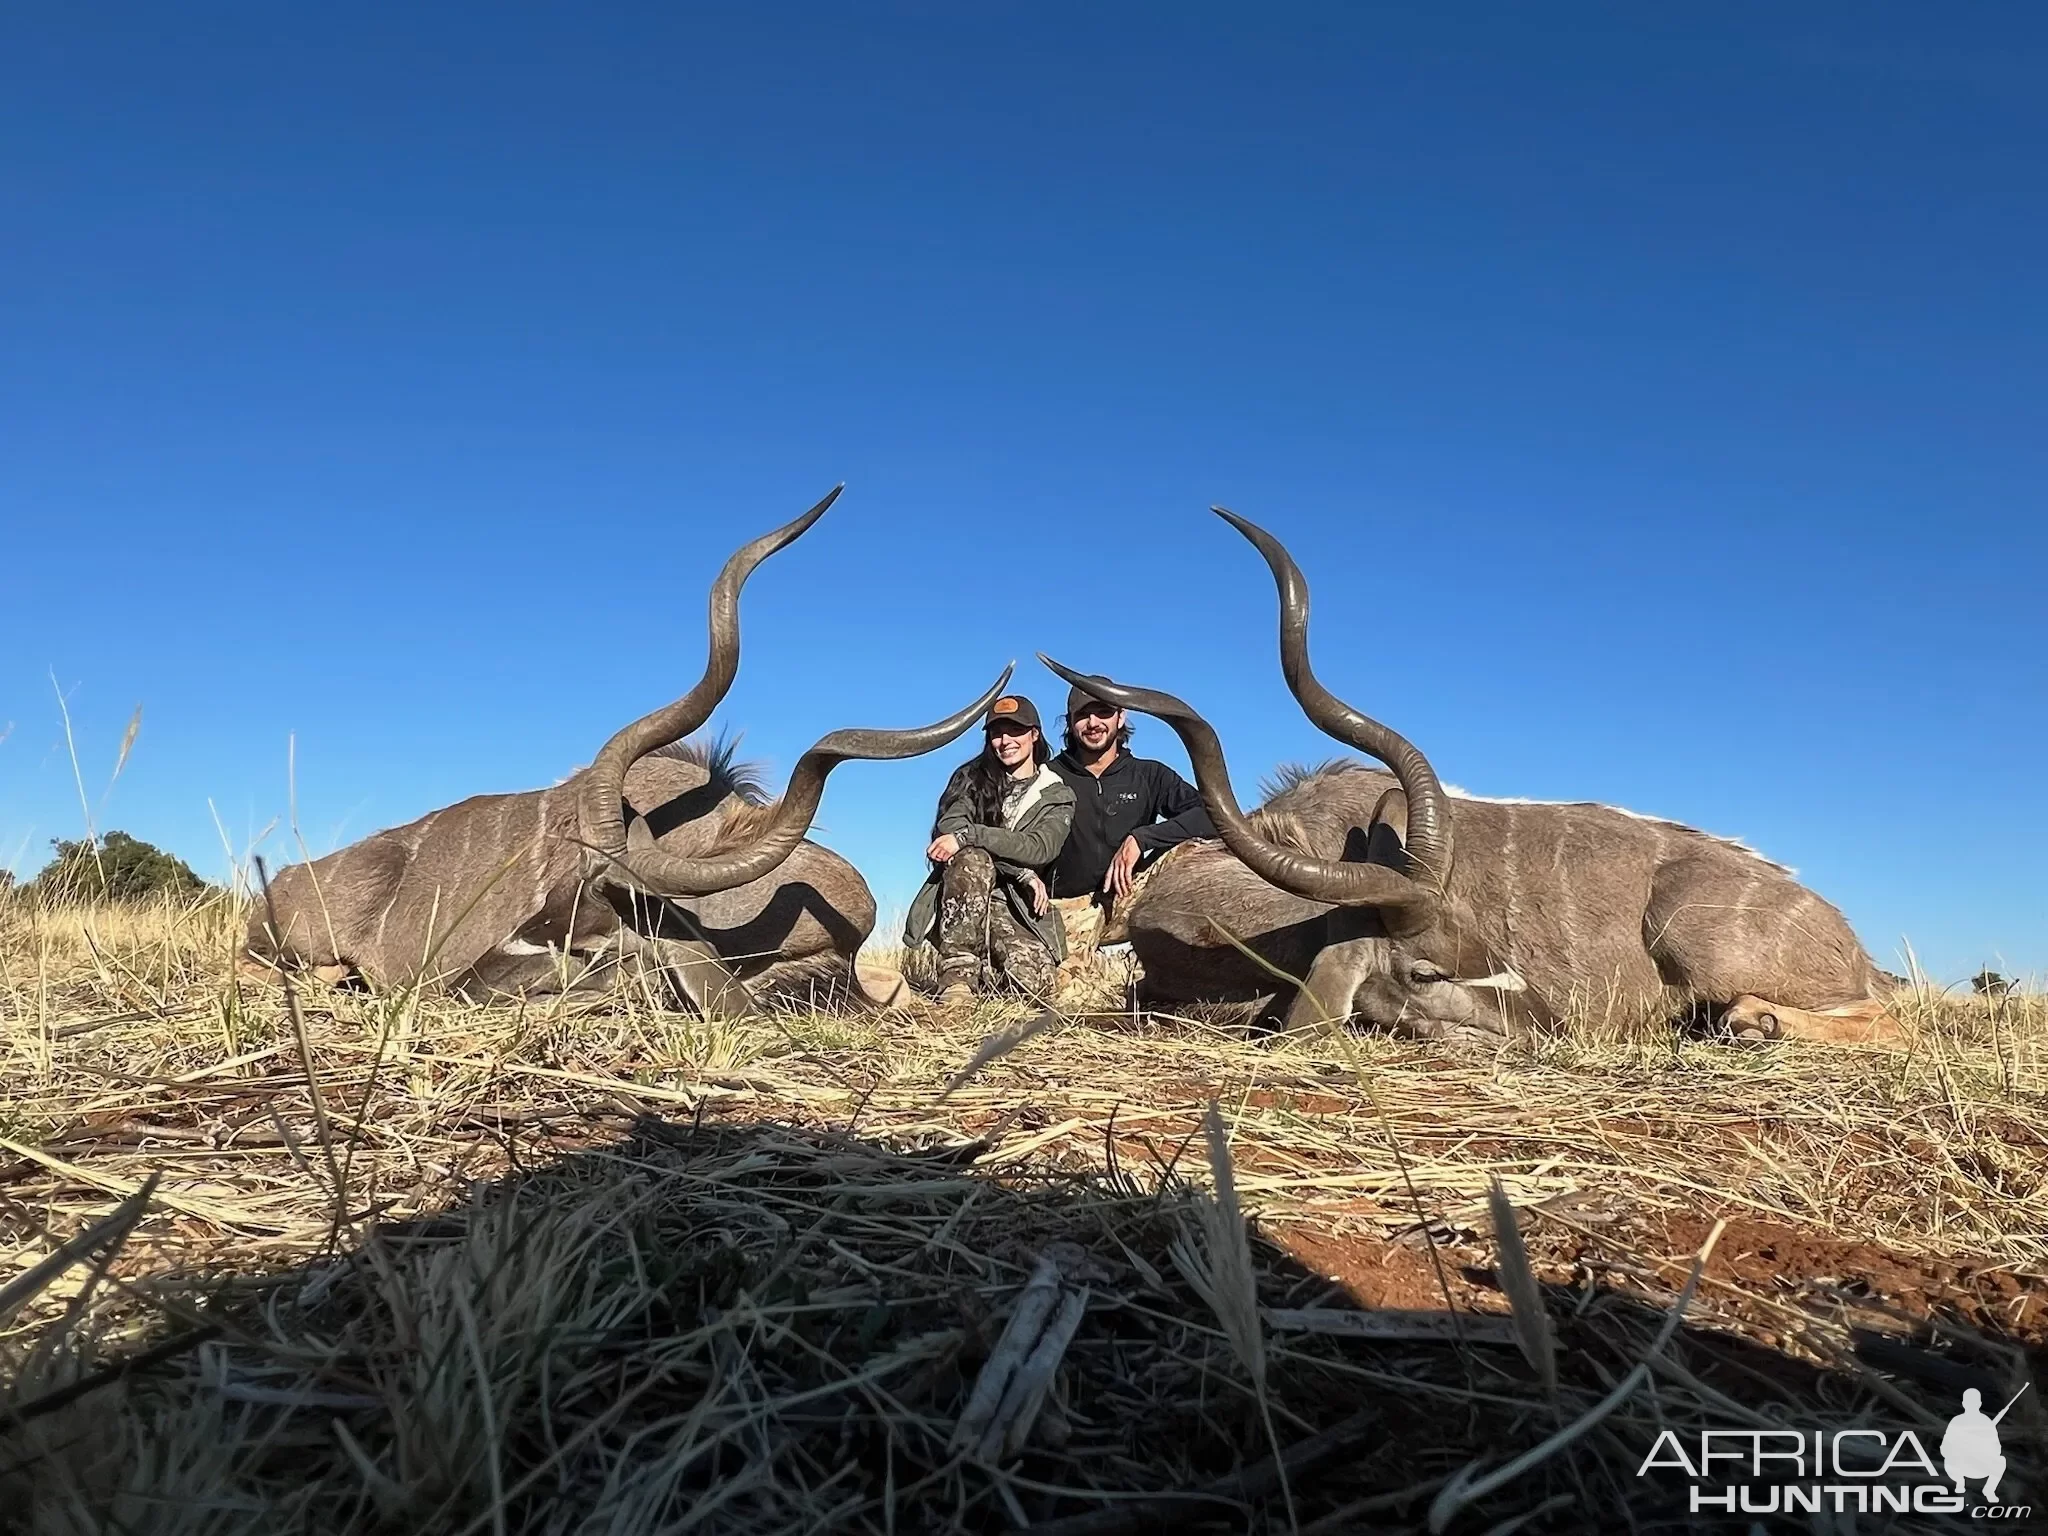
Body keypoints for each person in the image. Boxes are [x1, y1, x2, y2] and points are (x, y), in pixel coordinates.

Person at [903, 694, 1076, 1006]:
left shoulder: (1058, 794)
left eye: (1015, 731)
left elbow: (1039, 849)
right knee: (972, 858)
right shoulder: (971, 778)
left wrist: (973, 835)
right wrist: (1018, 871)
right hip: (967, 896)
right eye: (996, 733)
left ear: (1034, 735)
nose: (1005, 740)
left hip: (1017, 906)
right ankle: (957, 979)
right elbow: (950, 828)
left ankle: (987, 976)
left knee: (1037, 985)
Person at [1045, 676, 1217, 965]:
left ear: (1121, 717)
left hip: (1131, 901)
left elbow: (1213, 817)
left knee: (1192, 851)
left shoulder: (1150, 775)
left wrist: (1142, 838)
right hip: (1064, 911)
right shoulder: (1046, 777)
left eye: (1103, 713)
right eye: (1082, 715)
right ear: (1070, 722)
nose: (1093, 723)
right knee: (1066, 995)